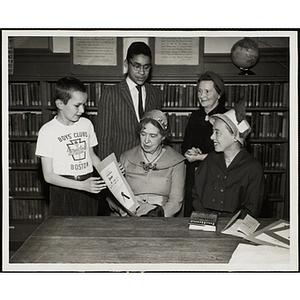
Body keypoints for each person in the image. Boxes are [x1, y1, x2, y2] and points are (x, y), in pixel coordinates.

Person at [35, 76, 106, 216]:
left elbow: (92, 156)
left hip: (88, 186)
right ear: (60, 104)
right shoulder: (47, 131)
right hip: (63, 191)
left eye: (84, 105)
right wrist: (81, 186)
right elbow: (48, 176)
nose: (81, 110)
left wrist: (110, 171)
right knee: (64, 234)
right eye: (77, 105)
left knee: (89, 232)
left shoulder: (86, 124)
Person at [109, 110, 186, 217]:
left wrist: (158, 214)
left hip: (159, 217)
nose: (146, 141)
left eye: (153, 136)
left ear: (163, 137)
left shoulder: (176, 161)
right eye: (143, 134)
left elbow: (176, 201)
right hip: (128, 216)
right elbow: (112, 196)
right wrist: (123, 209)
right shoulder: (126, 157)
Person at [192, 106, 265, 218]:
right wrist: (206, 219)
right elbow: (196, 193)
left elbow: (252, 209)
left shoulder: (253, 168)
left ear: (235, 136)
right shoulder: (210, 160)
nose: (212, 137)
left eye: (217, 132)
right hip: (205, 222)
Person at [95, 41, 162, 161]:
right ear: (126, 64)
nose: (142, 72)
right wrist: (111, 172)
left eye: (146, 67)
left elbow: (158, 132)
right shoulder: (111, 94)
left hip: (149, 165)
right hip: (121, 165)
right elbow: (104, 139)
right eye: (136, 66)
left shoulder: (155, 93)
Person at [181, 71, 227, 216]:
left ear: (219, 94)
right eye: (199, 91)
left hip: (218, 178)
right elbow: (185, 146)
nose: (202, 95)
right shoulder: (195, 116)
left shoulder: (227, 117)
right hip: (194, 176)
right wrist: (191, 152)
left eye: (207, 91)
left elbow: (230, 156)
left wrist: (201, 157)